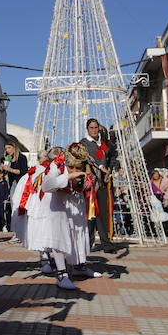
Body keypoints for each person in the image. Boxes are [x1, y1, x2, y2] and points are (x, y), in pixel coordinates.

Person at [23, 145, 94, 290]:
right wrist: (68, 176)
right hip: (56, 204)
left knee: (77, 233)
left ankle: (78, 266)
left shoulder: (86, 168)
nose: (75, 171)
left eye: (78, 168)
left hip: (75, 203)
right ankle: (62, 274)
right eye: (71, 167)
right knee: (59, 236)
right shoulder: (56, 165)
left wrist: (88, 183)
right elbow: (46, 186)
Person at [78, 118, 116, 251]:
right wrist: (99, 167)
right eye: (91, 128)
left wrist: (110, 168)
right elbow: (85, 159)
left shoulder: (105, 144)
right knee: (90, 213)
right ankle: (87, 242)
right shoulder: (83, 144)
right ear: (87, 129)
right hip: (90, 183)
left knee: (104, 213)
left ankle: (106, 242)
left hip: (104, 182)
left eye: (96, 127)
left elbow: (112, 157)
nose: (94, 130)